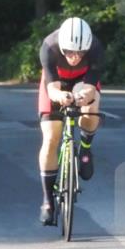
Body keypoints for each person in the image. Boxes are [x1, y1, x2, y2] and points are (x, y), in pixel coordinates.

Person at [37, 17, 103, 226]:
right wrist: (60, 97)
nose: (75, 58)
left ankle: (85, 148)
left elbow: (91, 87)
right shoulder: (49, 47)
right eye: (70, 53)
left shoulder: (96, 48)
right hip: (55, 83)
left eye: (80, 54)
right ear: (62, 47)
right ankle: (48, 201)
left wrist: (84, 95)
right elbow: (51, 89)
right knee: (51, 138)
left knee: (92, 106)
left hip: (83, 82)